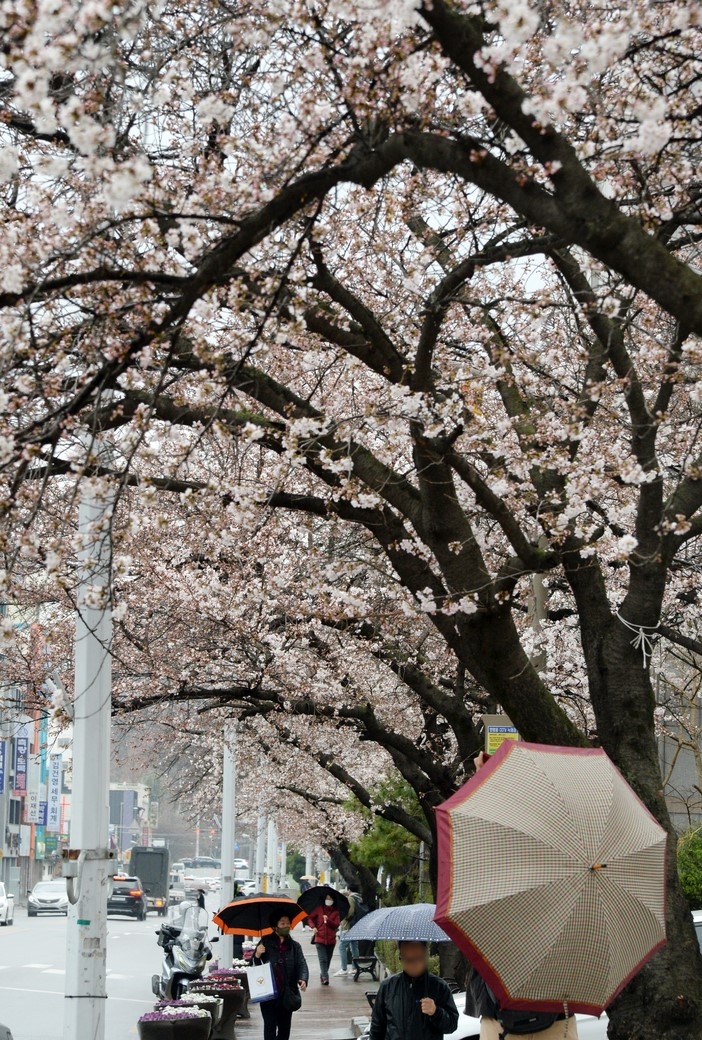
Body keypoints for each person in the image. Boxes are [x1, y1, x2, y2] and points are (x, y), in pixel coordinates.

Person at [466, 752, 579, 1040]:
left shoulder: (493, 877)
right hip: (523, 1013)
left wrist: (485, 780)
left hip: (543, 1014)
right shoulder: (568, 871)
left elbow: (481, 833)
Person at [368, 940, 459, 1040]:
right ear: (400, 958)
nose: (414, 964)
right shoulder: (388, 986)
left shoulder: (439, 987)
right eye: (408, 960)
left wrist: (436, 1012)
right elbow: (377, 1028)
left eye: (418, 958)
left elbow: (452, 1025)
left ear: (426, 956)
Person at [254, 911, 309, 1040]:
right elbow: (255, 966)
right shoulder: (265, 942)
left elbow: (301, 963)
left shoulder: (295, 946)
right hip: (269, 993)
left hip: (287, 992)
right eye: (282, 923)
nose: (286, 926)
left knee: (285, 1028)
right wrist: (257, 954)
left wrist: (303, 978)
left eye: (288, 923)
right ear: (275, 926)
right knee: (269, 1026)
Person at [306, 894, 341, 985]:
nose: (328, 900)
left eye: (330, 898)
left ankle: (323, 974)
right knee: (323, 959)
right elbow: (309, 918)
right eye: (327, 898)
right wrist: (313, 927)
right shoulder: (319, 909)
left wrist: (328, 920)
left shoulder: (336, 912)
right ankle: (325, 977)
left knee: (328, 959)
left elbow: (336, 925)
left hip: (331, 940)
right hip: (319, 938)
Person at [334, 889, 362, 977]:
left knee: (342, 946)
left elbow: (349, 913)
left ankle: (344, 968)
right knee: (354, 946)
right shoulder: (356, 898)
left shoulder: (349, 899)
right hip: (354, 926)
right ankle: (354, 967)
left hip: (348, 927)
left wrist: (341, 914)